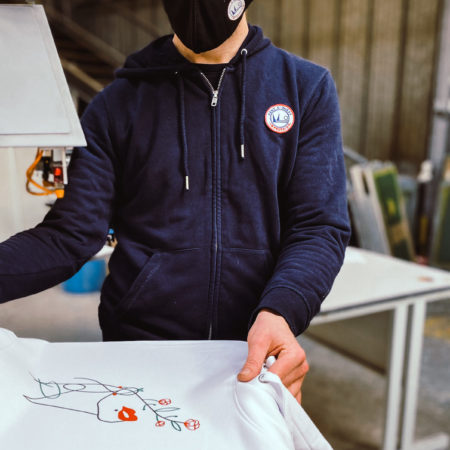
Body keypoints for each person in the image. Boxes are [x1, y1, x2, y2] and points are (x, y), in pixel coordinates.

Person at [0, 0, 350, 404]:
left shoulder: (304, 89)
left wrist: (282, 310)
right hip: (138, 349)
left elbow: (317, 227)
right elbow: (69, 235)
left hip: (253, 350)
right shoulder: (117, 105)